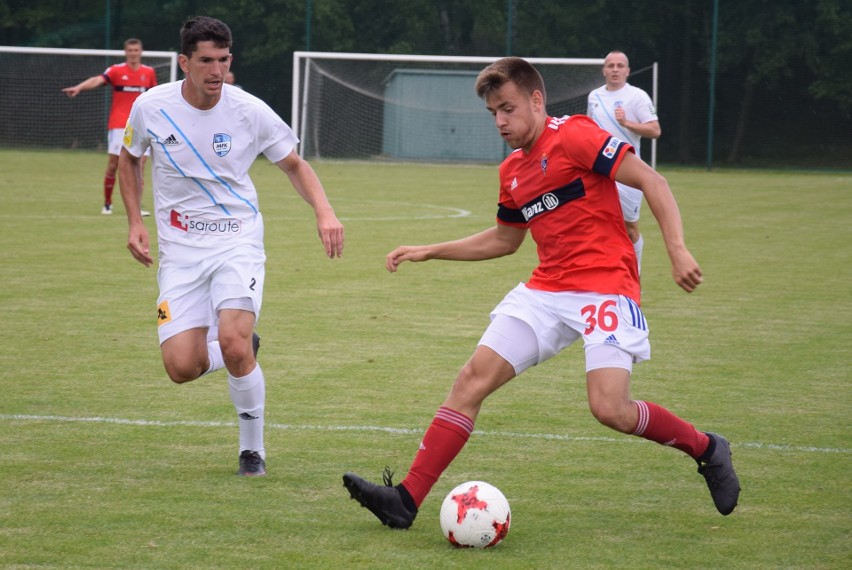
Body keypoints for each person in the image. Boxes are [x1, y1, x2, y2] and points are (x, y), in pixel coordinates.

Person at [343, 57, 739, 527]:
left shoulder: (574, 134)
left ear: (535, 100)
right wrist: (432, 250)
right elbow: (504, 240)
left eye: (508, 108)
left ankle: (708, 448)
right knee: (472, 380)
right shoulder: (512, 169)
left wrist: (677, 249)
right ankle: (406, 499)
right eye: (493, 113)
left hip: (606, 288)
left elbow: (652, 180)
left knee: (609, 408)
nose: (501, 121)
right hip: (547, 290)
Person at [118, 16, 344, 476]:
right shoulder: (151, 107)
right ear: (184, 63)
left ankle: (252, 450)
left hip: (236, 242)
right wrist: (133, 222)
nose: (216, 70)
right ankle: (228, 346)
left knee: (237, 344)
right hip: (179, 253)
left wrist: (325, 211)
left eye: (223, 60)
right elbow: (130, 158)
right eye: (205, 61)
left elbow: (295, 165)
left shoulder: (249, 110)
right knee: (181, 367)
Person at [63, 38, 157, 216]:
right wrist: (79, 87)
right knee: (114, 165)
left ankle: (135, 207)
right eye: (130, 50)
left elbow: (155, 96)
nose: (133, 53)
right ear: (125, 52)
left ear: (141, 51)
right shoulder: (116, 70)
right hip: (119, 125)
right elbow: (97, 80)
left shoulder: (149, 72)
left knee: (140, 165)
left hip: (142, 126)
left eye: (136, 50)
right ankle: (107, 203)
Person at [587, 50, 660, 274]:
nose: (615, 70)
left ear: (628, 71)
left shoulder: (637, 96)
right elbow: (588, 132)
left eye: (620, 66)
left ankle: (633, 275)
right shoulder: (594, 97)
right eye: (611, 66)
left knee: (630, 228)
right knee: (595, 225)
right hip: (598, 171)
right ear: (604, 70)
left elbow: (654, 130)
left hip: (628, 171)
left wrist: (627, 123)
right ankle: (601, 274)